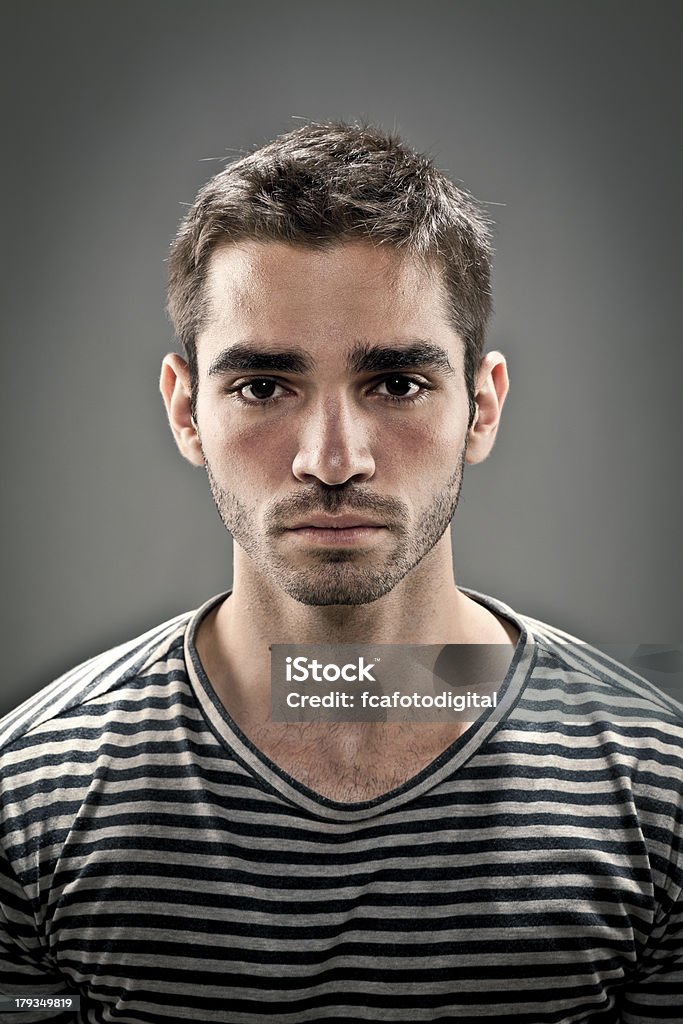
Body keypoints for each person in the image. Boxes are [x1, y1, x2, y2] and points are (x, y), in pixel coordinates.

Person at [0, 121, 681, 1023]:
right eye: (262, 386)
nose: (330, 460)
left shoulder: (656, 789)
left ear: (481, 407)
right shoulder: (29, 795)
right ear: (185, 410)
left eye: (395, 383)